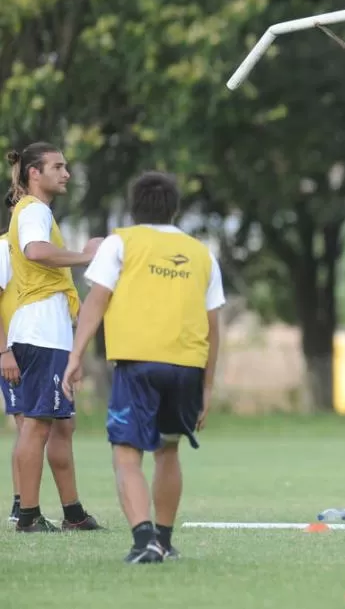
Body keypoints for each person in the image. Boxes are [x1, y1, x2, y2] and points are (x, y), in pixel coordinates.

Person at [63, 171, 226, 564]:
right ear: (174, 209)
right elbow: (213, 326)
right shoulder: (202, 253)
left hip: (138, 362)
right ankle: (165, 541)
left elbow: (96, 303)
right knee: (168, 451)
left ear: (133, 209)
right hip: (187, 364)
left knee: (127, 452)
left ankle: (143, 541)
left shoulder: (120, 243)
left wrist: (75, 357)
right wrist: (207, 386)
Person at [4, 142, 103, 533]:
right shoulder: (33, 210)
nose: (66, 174)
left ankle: (73, 514)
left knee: (61, 425)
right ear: (34, 173)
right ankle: (27, 515)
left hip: (52, 332)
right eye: (58, 167)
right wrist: (85, 256)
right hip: (39, 330)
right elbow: (34, 250)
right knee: (37, 424)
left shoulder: (38, 211)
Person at [1, 193, 23, 522]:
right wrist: (4, 351)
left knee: (61, 428)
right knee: (26, 427)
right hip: (15, 351)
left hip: (47, 346)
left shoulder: (44, 249)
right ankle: (22, 504)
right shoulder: (5, 247)